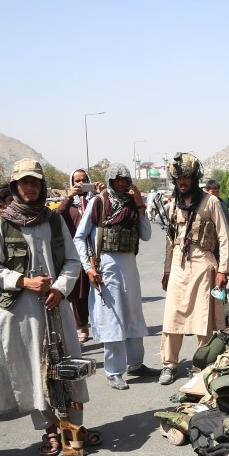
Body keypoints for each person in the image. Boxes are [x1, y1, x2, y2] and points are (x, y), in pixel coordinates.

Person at [0, 158, 101, 456]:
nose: (29, 186)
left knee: (69, 365)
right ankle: (50, 430)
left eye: (34, 181)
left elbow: (73, 260)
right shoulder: (2, 221)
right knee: (34, 370)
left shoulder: (53, 219)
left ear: (41, 185)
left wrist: (61, 290)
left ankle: (74, 427)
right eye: (24, 182)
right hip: (22, 310)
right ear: (15, 186)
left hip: (56, 305)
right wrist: (25, 281)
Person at [73, 163, 156, 390]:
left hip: (129, 264)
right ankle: (113, 371)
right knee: (113, 318)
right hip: (106, 266)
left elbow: (147, 235)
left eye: (125, 180)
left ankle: (136, 364)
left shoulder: (132, 203)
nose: (121, 184)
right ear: (110, 181)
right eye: (116, 180)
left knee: (133, 313)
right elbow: (79, 238)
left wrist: (140, 204)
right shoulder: (98, 202)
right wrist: (89, 268)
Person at [158, 152, 229, 386]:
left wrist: (223, 270)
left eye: (187, 177)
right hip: (179, 264)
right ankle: (169, 364)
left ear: (195, 177)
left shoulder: (211, 202)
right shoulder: (173, 205)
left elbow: (224, 237)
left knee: (203, 318)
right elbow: (170, 240)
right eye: (178, 178)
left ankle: (203, 364)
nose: (182, 181)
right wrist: (167, 271)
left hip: (203, 263)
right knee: (172, 316)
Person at [57, 168, 102, 343]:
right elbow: (57, 215)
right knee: (80, 294)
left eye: (84, 180)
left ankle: (100, 326)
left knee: (99, 290)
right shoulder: (69, 204)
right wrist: (68, 197)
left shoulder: (96, 200)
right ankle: (83, 327)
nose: (81, 183)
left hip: (96, 252)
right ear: (72, 183)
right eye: (77, 181)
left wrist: (101, 193)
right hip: (77, 253)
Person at [205, 179, 229, 265]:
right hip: (209, 237)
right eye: (212, 192)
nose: (215, 194)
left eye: (217, 192)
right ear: (207, 192)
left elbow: (227, 220)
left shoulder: (223, 203)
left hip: (222, 235)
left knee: (223, 260)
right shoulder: (204, 204)